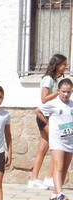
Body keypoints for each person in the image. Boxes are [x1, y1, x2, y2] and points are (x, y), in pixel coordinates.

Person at [28, 54, 67, 189]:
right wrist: (58, 93)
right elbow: (44, 99)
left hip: (52, 116)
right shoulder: (48, 79)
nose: (65, 67)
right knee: (59, 143)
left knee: (43, 148)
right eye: (63, 64)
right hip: (44, 117)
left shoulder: (55, 79)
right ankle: (49, 177)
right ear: (57, 65)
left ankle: (34, 179)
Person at [35, 77, 73, 200]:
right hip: (57, 140)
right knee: (58, 167)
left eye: (68, 92)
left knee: (65, 169)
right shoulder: (53, 103)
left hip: (69, 140)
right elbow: (38, 111)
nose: (65, 94)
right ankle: (60, 194)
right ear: (58, 91)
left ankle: (54, 196)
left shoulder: (72, 105)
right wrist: (48, 123)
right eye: (63, 91)